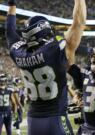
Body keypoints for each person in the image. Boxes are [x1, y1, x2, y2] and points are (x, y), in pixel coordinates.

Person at [5, 0, 86, 134]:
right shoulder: (54, 49)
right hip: (55, 119)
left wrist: (11, 5)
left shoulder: (17, 52)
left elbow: (10, 31)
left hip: (33, 120)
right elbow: (79, 22)